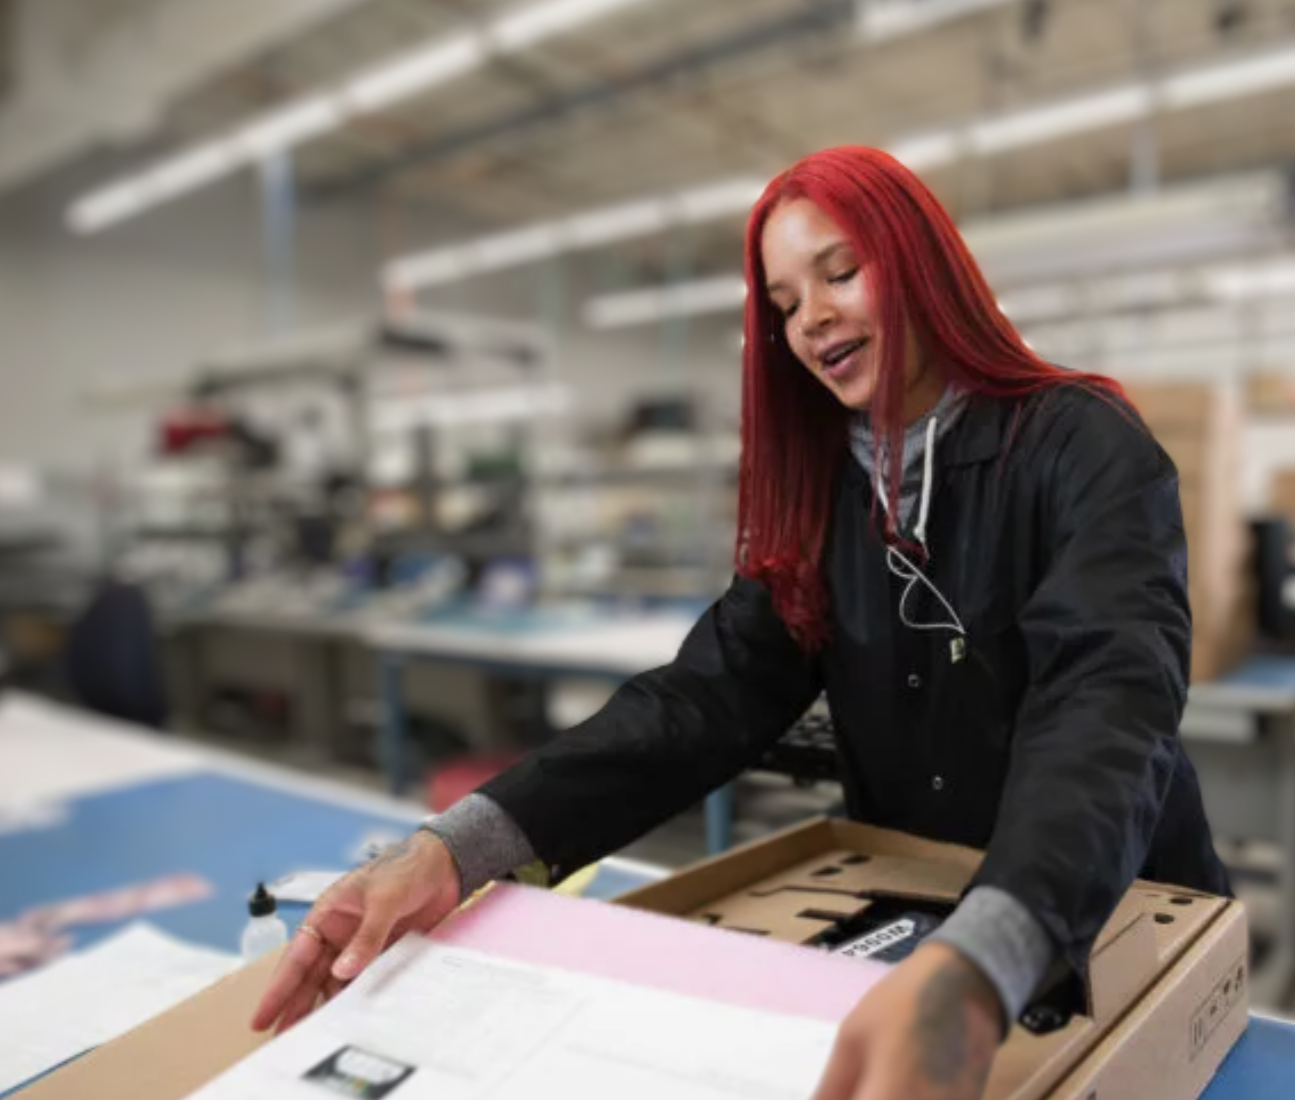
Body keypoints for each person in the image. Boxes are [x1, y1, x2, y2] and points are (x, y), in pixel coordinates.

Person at [252, 145, 1230, 1100]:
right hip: (922, 922)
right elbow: (703, 698)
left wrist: (987, 956)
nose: (812, 319)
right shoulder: (828, 492)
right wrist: (450, 850)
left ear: (922, 263)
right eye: (785, 303)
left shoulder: (1080, 443)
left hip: (1109, 914)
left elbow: (1105, 703)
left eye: (840, 272)